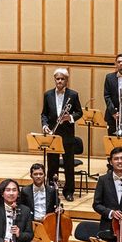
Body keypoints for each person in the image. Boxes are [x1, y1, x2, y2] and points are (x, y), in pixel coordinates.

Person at [40, 67, 83, 199]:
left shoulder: (73, 95)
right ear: (55, 80)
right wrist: (45, 125)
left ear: (66, 80)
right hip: (53, 135)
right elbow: (44, 114)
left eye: (62, 79)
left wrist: (69, 118)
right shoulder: (48, 95)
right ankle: (51, 191)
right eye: (57, 79)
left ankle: (68, 192)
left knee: (68, 165)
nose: (59, 81)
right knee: (52, 164)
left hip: (67, 135)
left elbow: (79, 112)